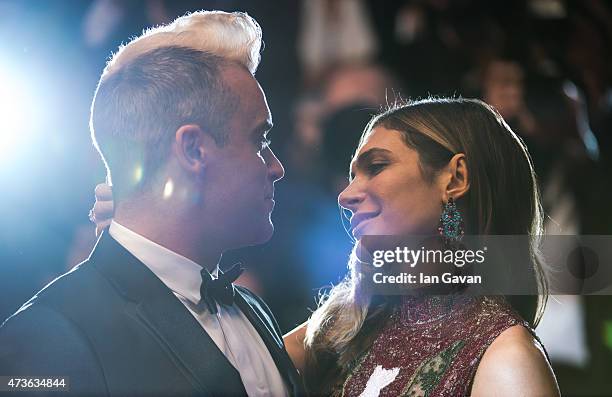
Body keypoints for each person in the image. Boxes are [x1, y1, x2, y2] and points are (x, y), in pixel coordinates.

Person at [92, 98, 561, 396]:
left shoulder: (506, 356)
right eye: (351, 172)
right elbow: (212, 380)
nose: (346, 194)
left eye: (375, 166)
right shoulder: (344, 326)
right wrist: (148, 237)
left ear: (454, 179)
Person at [0, 11, 304, 396]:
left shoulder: (253, 310)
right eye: (260, 140)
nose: (276, 167)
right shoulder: (49, 333)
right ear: (193, 149)